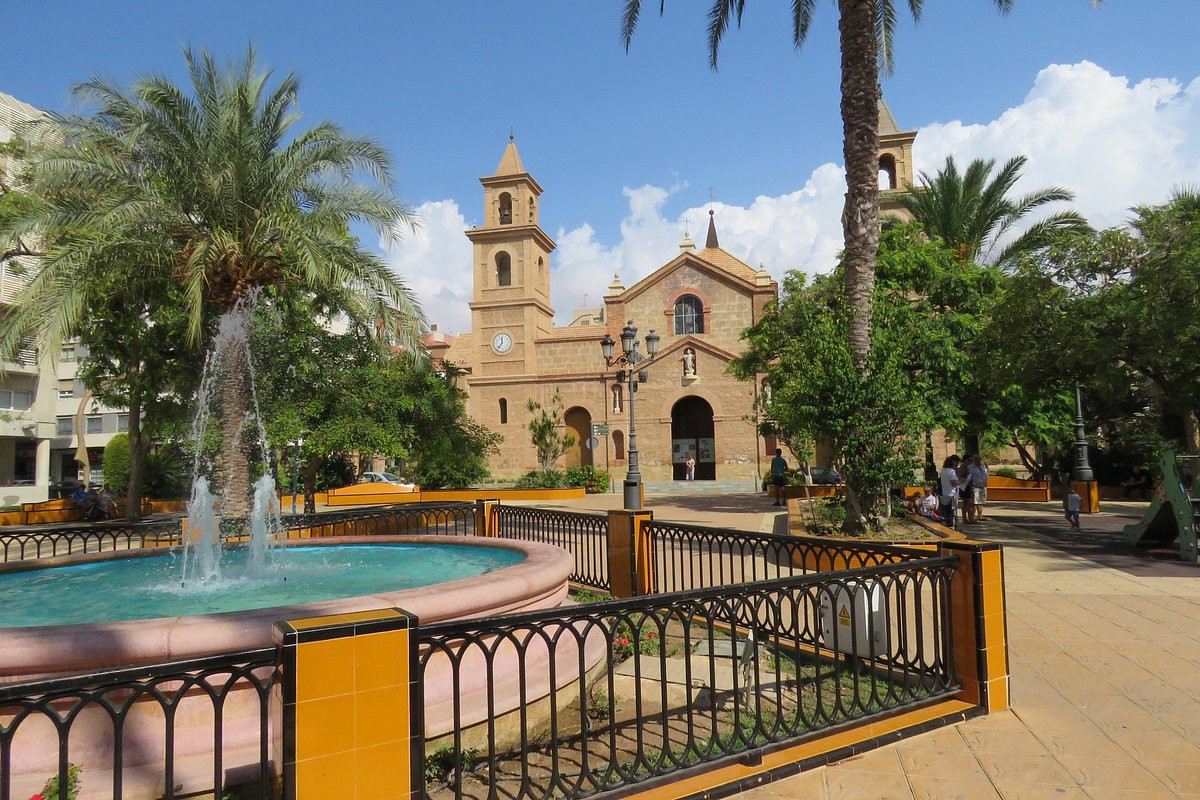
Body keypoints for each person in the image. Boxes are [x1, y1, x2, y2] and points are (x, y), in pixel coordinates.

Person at [939, 454, 962, 529]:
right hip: (951, 494)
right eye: (957, 462)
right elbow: (953, 483)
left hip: (944, 493)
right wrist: (961, 481)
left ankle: (947, 525)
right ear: (953, 462)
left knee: (945, 512)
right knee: (952, 512)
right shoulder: (951, 471)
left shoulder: (943, 470)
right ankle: (952, 526)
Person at [966, 454, 989, 523]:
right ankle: (972, 516)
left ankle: (980, 515)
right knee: (975, 503)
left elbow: (986, 475)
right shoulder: (970, 467)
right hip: (975, 487)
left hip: (983, 487)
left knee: (981, 502)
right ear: (973, 459)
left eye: (978, 458)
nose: (977, 460)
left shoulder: (983, 467)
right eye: (975, 458)